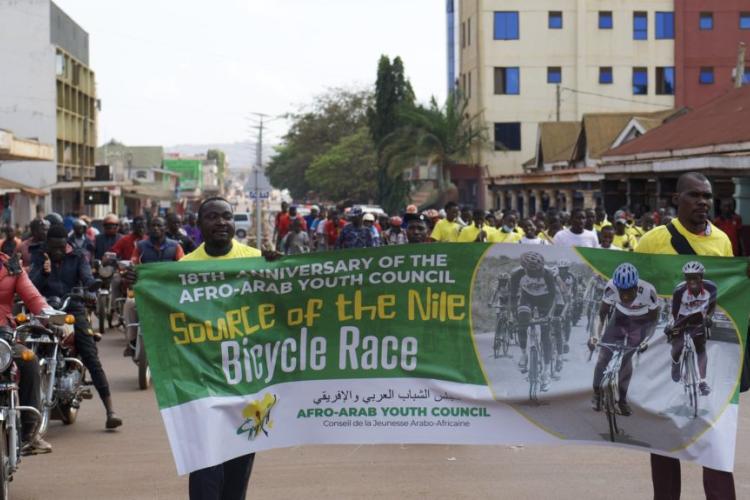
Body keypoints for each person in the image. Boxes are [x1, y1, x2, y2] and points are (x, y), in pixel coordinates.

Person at [138, 196, 264, 499]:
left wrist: (279, 266)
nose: (221, 222)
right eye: (212, 217)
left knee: (238, 465)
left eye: (227, 216)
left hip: (244, 380)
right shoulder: (184, 269)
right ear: (198, 225)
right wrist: (143, 284)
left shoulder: (256, 259)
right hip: (200, 380)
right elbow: (165, 317)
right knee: (205, 463)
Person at [636, 172, 736, 499]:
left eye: (707, 196)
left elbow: (729, 294)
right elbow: (636, 290)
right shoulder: (652, 241)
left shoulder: (722, 240)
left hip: (712, 345)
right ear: (676, 200)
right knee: (664, 441)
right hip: (664, 348)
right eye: (694, 195)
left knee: (717, 439)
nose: (703, 202)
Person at [30, 224, 122, 430]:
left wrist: (91, 287)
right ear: (47, 244)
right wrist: (43, 272)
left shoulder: (79, 256)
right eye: (53, 247)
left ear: (67, 245)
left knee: (90, 355)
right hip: (47, 310)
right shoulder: (39, 256)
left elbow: (87, 277)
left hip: (73, 309)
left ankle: (110, 410)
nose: (57, 252)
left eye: (60, 248)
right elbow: (31, 285)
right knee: (27, 352)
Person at [589, 263, 657, 416]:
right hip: (619, 318)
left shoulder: (648, 291)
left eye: (629, 291)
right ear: (617, 287)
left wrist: (646, 340)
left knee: (627, 360)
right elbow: (601, 316)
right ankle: (597, 393)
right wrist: (595, 336)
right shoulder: (611, 287)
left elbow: (653, 321)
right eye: (622, 291)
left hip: (640, 322)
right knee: (602, 357)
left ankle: (623, 401)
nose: (625, 296)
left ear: (636, 286)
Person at [666, 261, 716, 396]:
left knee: (701, 349)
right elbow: (674, 312)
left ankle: (703, 382)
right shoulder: (679, 291)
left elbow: (712, 306)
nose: (692, 280)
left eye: (695, 277)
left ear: (701, 277)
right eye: (689, 277)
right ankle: (675, 363)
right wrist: (671, 325)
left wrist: (709, 318)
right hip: (681, 318)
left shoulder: (711, 288)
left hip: (697, 318)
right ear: (685, 279)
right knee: (677, 346)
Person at [509, 251, 558, 389]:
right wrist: (514, 315)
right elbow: (513, 297)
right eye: (532, 272)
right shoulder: (516, 274)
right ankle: (524, 354)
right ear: (524, 268)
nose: (537, 274)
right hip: (527, 298)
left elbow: (554, 297)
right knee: (522, 322)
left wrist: (549, 315)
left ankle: (546, 372)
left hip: (545, 300)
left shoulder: (548, 274)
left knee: (545, 334)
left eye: (539, 271)